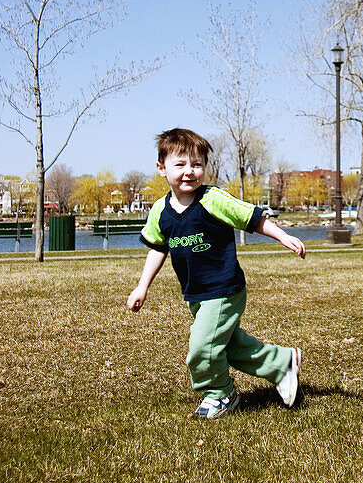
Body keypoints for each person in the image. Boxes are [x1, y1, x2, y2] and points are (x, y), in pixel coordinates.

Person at [126, 127, 305, 418]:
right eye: (180, 164)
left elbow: (252, 218)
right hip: (196, 294)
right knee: (229, 345)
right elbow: (158, 248)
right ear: (162, 168)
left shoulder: (213, 200)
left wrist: (282, 236)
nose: (189, 172)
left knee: (202, 348)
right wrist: (142, 286)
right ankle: (282, 363)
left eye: (197, 165)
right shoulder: (160, 210)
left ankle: (220, 394)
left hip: (224, 288)